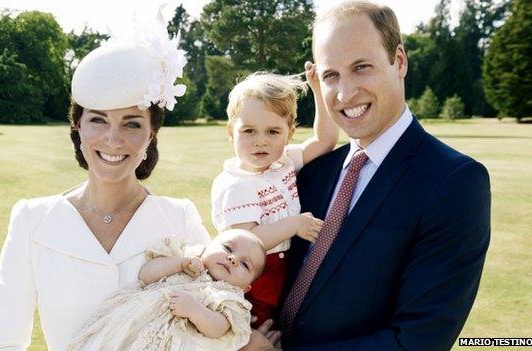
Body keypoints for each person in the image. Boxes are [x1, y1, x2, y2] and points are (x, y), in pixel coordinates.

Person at [242, 1, 491, 350]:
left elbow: (418, 340)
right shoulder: (313, 171)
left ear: (399, 61)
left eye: (361, 67)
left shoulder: (454, 182)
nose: (345, 93)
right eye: (331, 75)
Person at [0, 14, 211, 351]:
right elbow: (4, 341)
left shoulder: (179, 218)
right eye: (98, 121)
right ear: (77, 126)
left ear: (152, 133)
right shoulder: (31, 220)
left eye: (131, 124)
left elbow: (214, 318)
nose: (112, 139)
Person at [211, 72, 338, 327]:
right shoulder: (236, 185)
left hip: (283, 266)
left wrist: (318, 91)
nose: (261, 141)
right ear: (230, 131)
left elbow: (325, 141)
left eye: (273, 131)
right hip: (252, 275)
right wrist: (294, 225)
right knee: (256, 327)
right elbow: (246, 243)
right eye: (249, 131)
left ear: (289, 133)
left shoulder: (284, 161)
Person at [67, 229, 267, 351]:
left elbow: (219, 327)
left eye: (244, 264)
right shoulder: (185, 258)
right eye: (228, 248)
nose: (233, 258)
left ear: (246, 286)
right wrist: (179, 264)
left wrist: (195, 311)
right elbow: (146, 275)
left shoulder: (230, 298)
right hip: (132, 326)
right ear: (208, 246)